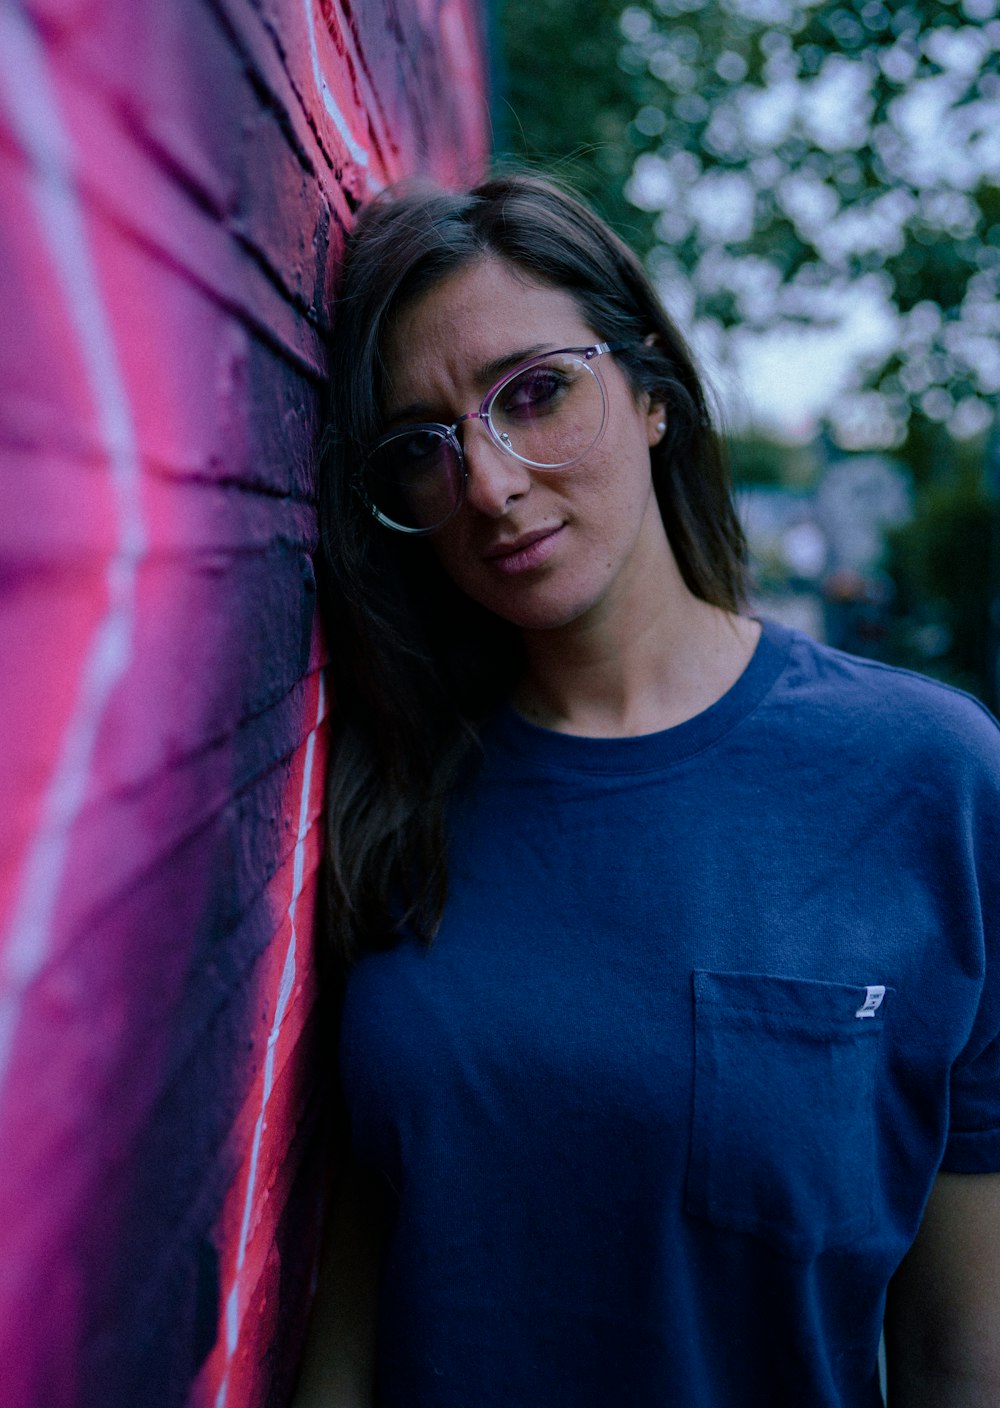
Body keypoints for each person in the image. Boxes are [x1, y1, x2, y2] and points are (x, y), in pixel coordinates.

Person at [292, 173, 1000, 1408]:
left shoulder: (932, 780)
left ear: (653, 393)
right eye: (424, 446)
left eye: (537, 393)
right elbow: (357, 1287)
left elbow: (962, 1354)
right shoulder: (385, 788)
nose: (491, 484)